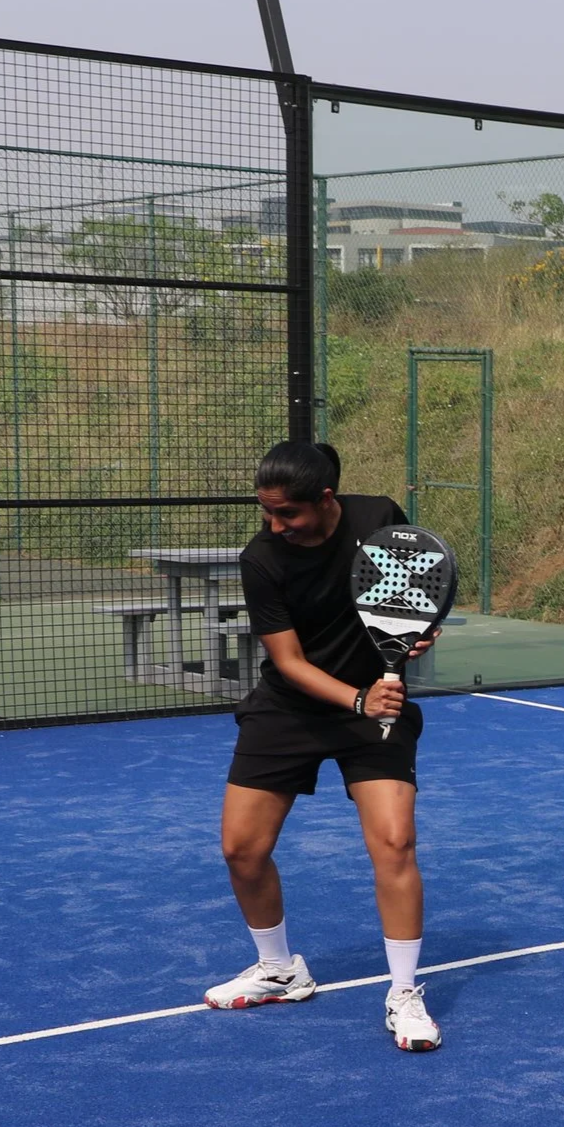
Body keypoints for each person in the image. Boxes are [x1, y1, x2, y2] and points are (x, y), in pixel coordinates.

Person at [204, 440, 443, 1052]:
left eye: (288, 514)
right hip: (292, 709)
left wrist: (420, 633)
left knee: (395, 842)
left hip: (374, 709)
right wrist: (357, 699)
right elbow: (287, 660)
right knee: (241, 850)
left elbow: (408, 596)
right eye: (268, 514)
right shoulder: (262, 559)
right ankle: (280, 970)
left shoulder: (377, 519)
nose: (275, 525)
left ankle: (405, 993)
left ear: (327, 499)